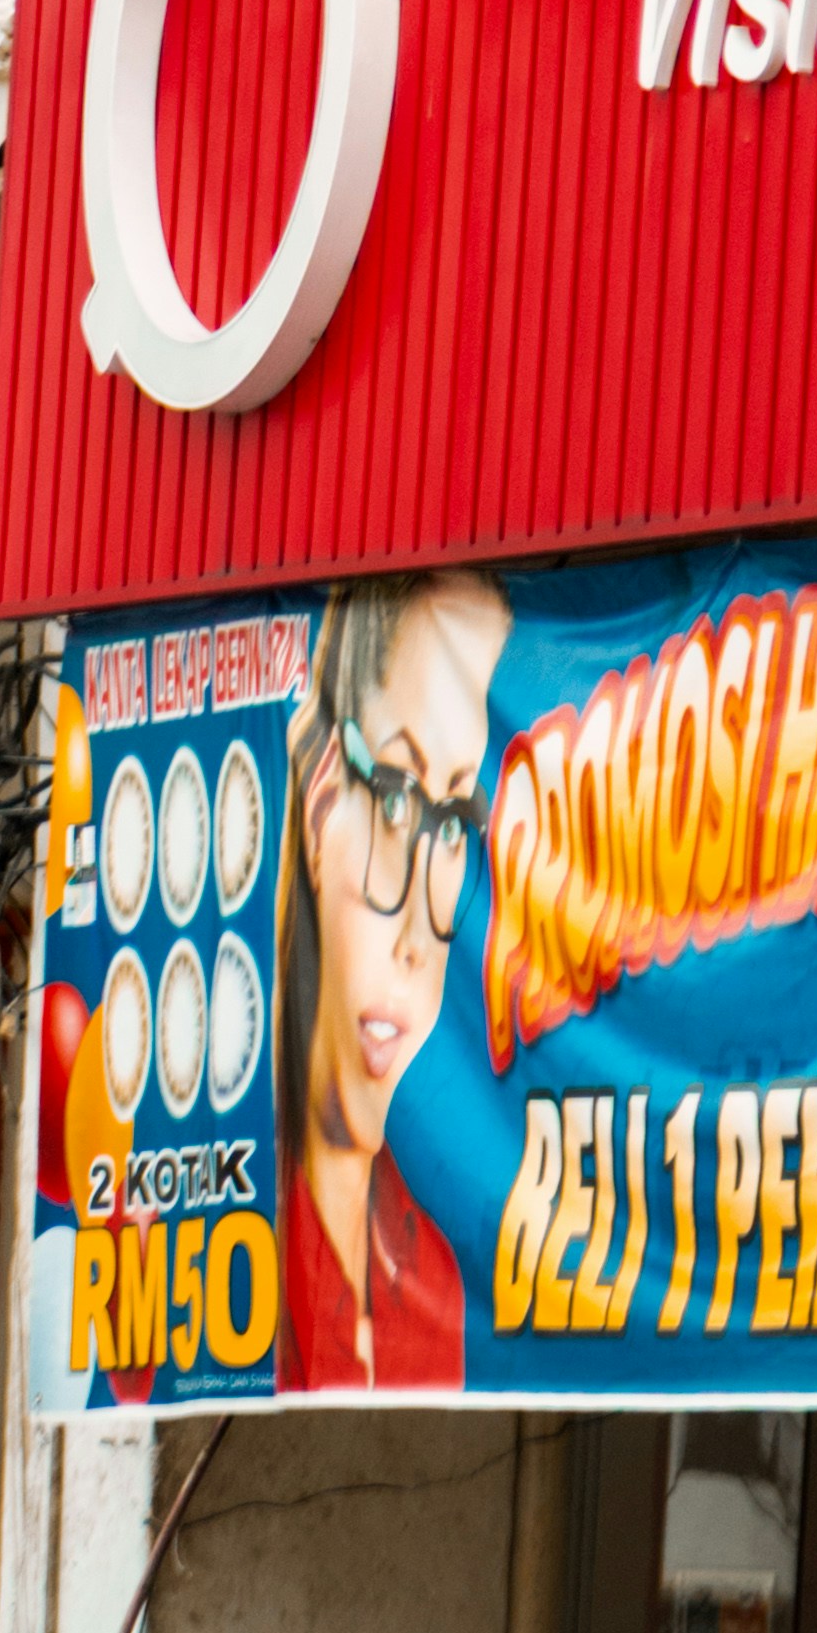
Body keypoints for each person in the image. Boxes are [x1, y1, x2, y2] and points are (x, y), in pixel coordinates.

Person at [272, 569, 508, 1389]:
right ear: (320, 802)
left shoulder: (431, 1277)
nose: (416, 934)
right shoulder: (230, 1241)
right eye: (400, 799)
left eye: (454, 823)